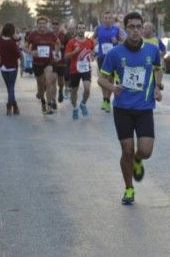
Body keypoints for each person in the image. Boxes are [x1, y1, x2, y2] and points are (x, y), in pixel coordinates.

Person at [97, 12, 163, 205]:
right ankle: (128, 188)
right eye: (131, 27)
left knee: (146, 151)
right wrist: (112, 88)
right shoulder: (115, 53)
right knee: (126, 150)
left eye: (138, 27)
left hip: (144, 108)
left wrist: (157, 88)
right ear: (125, 29)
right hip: (123, 108)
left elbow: (158, 70)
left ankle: (138, 160)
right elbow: (101, 78)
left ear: (143, 28)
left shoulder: (152, 50)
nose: (135, 30)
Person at [25, 16, 61, 115]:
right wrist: (31, 52)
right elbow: (25, 45)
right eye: (40, 23)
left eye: (44, 23)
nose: (42, 25)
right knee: (41, 87)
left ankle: (49, 105)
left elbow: (58, 43)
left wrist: (56, 53)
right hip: (37, 63)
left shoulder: (51, 34)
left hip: (48, 62)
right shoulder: (33, 35)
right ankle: (43, 102)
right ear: (37, 25)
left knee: (49, 82)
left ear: (47, 24)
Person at [64, 21, 95, 120]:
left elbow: (93, 53)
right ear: (76, 30)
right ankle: (75, 108)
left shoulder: (90, 41)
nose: (81, 30)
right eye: (79, 28)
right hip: (74, 70)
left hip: (86, 69)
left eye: (83, 28)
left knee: (87, 89)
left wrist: (92, 55)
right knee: (74, 91)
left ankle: (83, 104)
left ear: (85, 29)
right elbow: (66, 56)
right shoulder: (72, 42)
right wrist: (74, 52)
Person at [93, 11, 122, 113]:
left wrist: (116, 42)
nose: (107, 19)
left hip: (113, 58)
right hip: (102, 57)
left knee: (110, 80)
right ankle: (105, 98)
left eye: (109, 18)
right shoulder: (98, 28)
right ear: (102, 19)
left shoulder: (116, 29)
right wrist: (93, 46)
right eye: (105, 17)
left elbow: (124, 42)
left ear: (112, 19)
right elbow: (93, 38)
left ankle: (107, 101)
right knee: (102, 80)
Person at [0, 23, 21, 115]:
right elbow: (17, 55)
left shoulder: (0, 39)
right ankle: (9, 105)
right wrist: (18, 47)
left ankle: (14, 106)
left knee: (9, 88)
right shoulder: (12, 42)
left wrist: (16, 39)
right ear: (12, 31)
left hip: (3, 67)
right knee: (11, 88)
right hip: (12, 68)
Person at [51, 20, 67, 104]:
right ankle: (53, 100)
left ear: (59, 25)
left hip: (61, 61)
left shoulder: (63, 35)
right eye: (53, 24)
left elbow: (67, 46)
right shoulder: (49, 35)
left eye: (56, 24)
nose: (55, 26)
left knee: (61, 80)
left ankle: (60, 91)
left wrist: (61, 46)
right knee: (53, 80)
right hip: (52, 61)